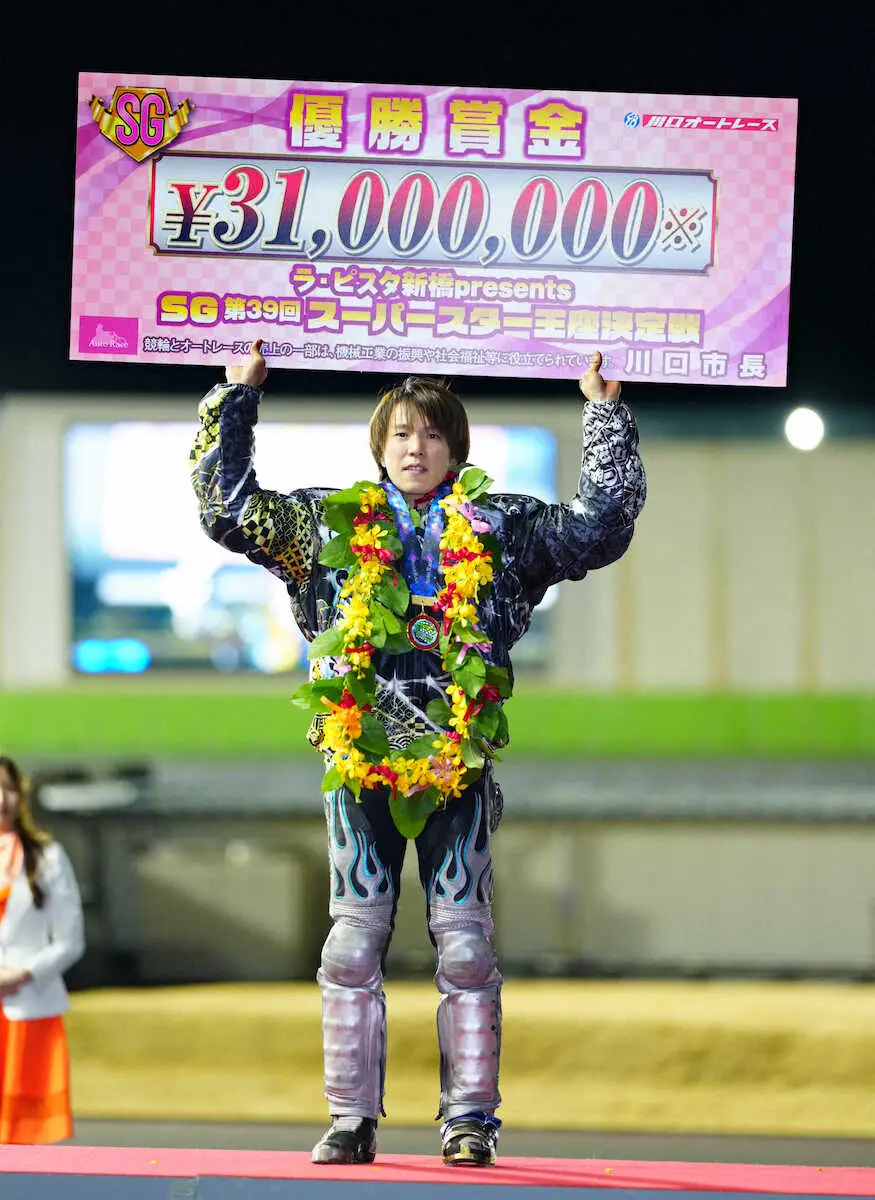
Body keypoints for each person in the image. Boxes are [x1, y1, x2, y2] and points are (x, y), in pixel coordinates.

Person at [191, 343, 645, 1167]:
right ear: (379, 445)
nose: (415, 447)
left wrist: (603, 411)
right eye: (400, 432)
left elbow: (601, 526)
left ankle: (469, 1120)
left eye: (432, 434)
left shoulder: (504, 527)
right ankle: (349, 1118)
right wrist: (236, 395)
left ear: (455, 448)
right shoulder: (325, 523)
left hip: (456, 766)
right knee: (350, 945)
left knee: (466, 948)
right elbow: (227, 510)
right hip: (357, 764)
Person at [0, 755, 85, 1143]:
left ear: (21, 795)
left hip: (28, 1011)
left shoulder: (48, 857)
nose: (1, 799)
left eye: (8, 788)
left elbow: (71, 941)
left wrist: (22, 974)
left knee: (25, 1141)